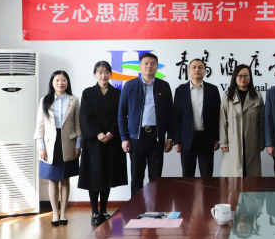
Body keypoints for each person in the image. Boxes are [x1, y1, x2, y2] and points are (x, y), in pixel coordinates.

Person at [78, 61, 128, 226]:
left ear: (110, 74)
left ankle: (104, 210)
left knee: (108, 176)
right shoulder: (88, 93)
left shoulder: (117, 93)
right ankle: (94, 211)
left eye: (106, 72)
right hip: (94, 142)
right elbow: (85, 116)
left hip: (112, 141)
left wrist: (111, 132)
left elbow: (121, 115)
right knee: (94, 176)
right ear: (95, 74)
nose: (103, 75)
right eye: (100, 72)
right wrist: (98, 133)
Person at [118, 53, 175, 197]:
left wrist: (170, 138)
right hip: (136, 138)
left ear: (157, 67)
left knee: (156, 178)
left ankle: (155, 207)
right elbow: (121, 113)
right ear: (140, 66)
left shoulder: (164, 86)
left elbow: (170, 114)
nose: (149, 66)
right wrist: (124, 138)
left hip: (157, 137)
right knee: (137, 177)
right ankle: (136, 208)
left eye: (153, 63)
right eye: (146, 63)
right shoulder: (130, 86)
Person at [34, 70, 81, 226]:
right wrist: (41, 147)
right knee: (53, 179)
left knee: (65, 178)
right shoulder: (45, 100)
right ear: (52, 83)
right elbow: (39, 126)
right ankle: (55, 213)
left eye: (63, 80)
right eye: (57, 80)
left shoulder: (74, 100)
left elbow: (78, 125)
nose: (61, 83)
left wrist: (78, 145)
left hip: (68, 143)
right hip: (50, 144)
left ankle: (64, 213)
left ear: (67, 82)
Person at [173, 58, 221, 177]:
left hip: (206, 138)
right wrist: (176, 140)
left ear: (205, 71)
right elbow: (176, 117)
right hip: (187, 139)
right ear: (189, 71)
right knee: (187, 177)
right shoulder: (180, 90)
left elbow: (217, 116)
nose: (197, 69)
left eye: (200, 67)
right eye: (194, 67)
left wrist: (217, 138)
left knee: (207, 176)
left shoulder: (213, 90)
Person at [219, 64, 265, 177]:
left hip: (252, 140)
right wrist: (223, 141)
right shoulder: (227, 97)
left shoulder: (257, 96)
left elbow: (261, 122)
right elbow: (222, 121)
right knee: (233, 175)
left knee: (251, 175)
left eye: (245, 75)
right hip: (233, 141)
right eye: (239, 75)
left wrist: (261, 141)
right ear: (234, 78)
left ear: (250, 77)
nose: (242, 78)